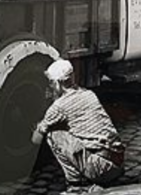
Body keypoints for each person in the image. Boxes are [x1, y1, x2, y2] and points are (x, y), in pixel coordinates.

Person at [31, 59, 125, 194]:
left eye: (51, 83)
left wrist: (40, 124)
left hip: (100, 169)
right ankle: (101, 177)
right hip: (118, 164)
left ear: (58, 83)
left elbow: (36, 140)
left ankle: (75, 184)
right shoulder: (89, 94)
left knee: (54, 135)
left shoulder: (58, 107)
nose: (50, 86)